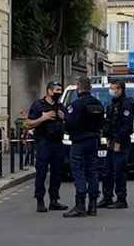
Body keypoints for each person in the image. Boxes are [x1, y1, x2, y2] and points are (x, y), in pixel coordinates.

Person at [62, 72, 106, 218]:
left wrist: (66, 120)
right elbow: (101, 123)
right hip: (93, 141)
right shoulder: (98, 104)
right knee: (92, 171)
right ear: (90, 89)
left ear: (78, 89)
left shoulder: (77, 104)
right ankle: (93, 205)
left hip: (79, 141)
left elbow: (70, 124)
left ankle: (80, 204)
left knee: (78, 171)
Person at [25, 78, 69, 214]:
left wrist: (65, 118)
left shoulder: (60, 106)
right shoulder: (38, 105)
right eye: (57, 90)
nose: (59, 92)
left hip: (58, 143)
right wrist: (42, 119)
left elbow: (69, 124)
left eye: (60, 90)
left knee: (57, 173)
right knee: (41, 173)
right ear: (49, 91)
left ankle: (54, 200)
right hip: (44, 143)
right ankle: (40, 201)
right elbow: (28, 124)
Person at [103, 76, 134, 210]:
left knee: (119, 171)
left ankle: (121, 199)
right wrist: (108, 139)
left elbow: (126, 126)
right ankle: (107, 198)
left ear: (119, 89)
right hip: (112, 140)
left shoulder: (126, 104)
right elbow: (109, 123)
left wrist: (118, 141)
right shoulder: (113, 103)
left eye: (112, 88)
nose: (110, 91)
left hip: (121, 142)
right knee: (107, 171)